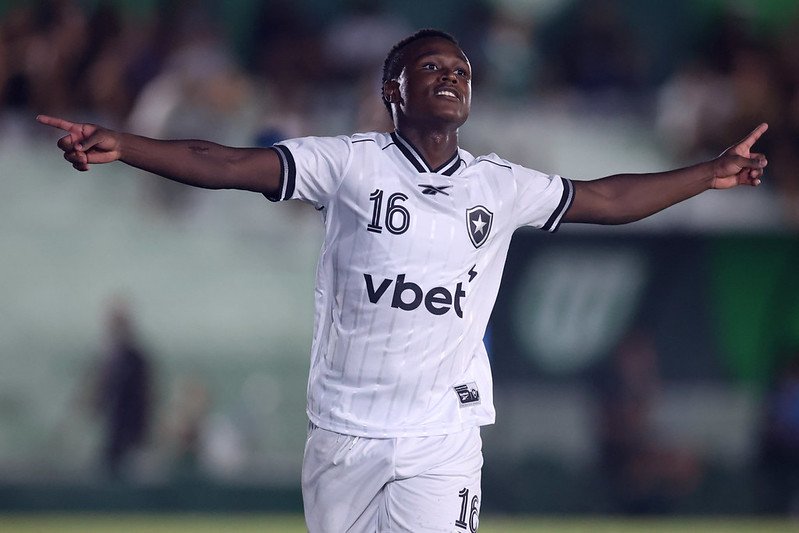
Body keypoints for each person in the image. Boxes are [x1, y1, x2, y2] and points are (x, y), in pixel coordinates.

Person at [37, 28, 767, 533]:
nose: (451, 77)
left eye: (461, 72)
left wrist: (709, 173)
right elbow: (226, 163)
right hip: (343, 432)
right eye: (432, 68)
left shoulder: (498, 185)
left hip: (439, 435)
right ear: (394, 88)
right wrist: (124, 144)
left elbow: (607, 199)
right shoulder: (348, 164)